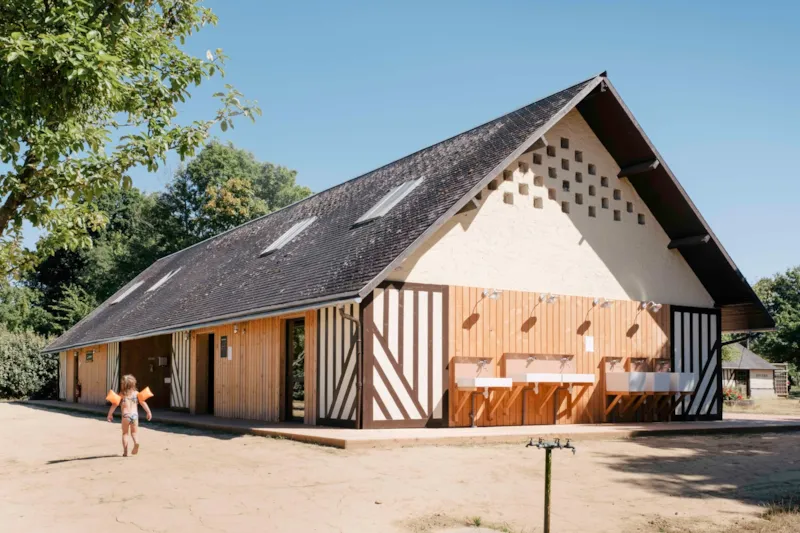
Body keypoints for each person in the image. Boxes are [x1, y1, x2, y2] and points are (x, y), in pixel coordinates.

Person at [107, 374, 152, 457]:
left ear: (123, 385)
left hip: (125, 416)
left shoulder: (121, 394)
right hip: (134, 416)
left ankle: (125, 452)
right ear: (133, 384)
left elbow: (114, 404)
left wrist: (110, 414)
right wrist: (148, 412)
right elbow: (143, 403)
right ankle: (136, 442)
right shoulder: (137, 394)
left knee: (125, 434)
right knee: (134, 433)